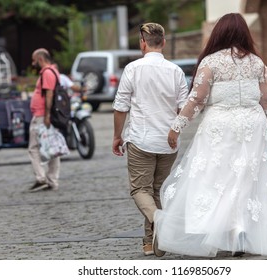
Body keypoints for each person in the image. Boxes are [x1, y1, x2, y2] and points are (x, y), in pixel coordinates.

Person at [153, 13, 267, 258]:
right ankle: (240, 230)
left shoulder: (211, 62)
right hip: (252, 126)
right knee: (246, 182)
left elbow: (197, 99)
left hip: (221, 125)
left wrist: (176, 127)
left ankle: (219, 230)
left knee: (214, 178)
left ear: (219, 33)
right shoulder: (257, 63)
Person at [112, 22, 189, 256]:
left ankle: (158, 219)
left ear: (142, 43)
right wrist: (175, 130)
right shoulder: (176, 71)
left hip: (140, 139)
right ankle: (150, 243)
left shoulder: (133, 69)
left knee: (139, 190)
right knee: (157, 191)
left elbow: (121, 106)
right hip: (168, 142)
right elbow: (184, 108)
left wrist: (117, 135)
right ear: (163, 42)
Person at [28, 48, 61, 192]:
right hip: (45, 116)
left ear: (40, 59)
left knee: (33, 148)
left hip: (42, 116)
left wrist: (46, 115)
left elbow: (49, 94)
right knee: (52, 147)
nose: (33, 63)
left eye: (34, 60)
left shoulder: (47, 73)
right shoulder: (53, 71)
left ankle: (41, 178)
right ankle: (52, 181)